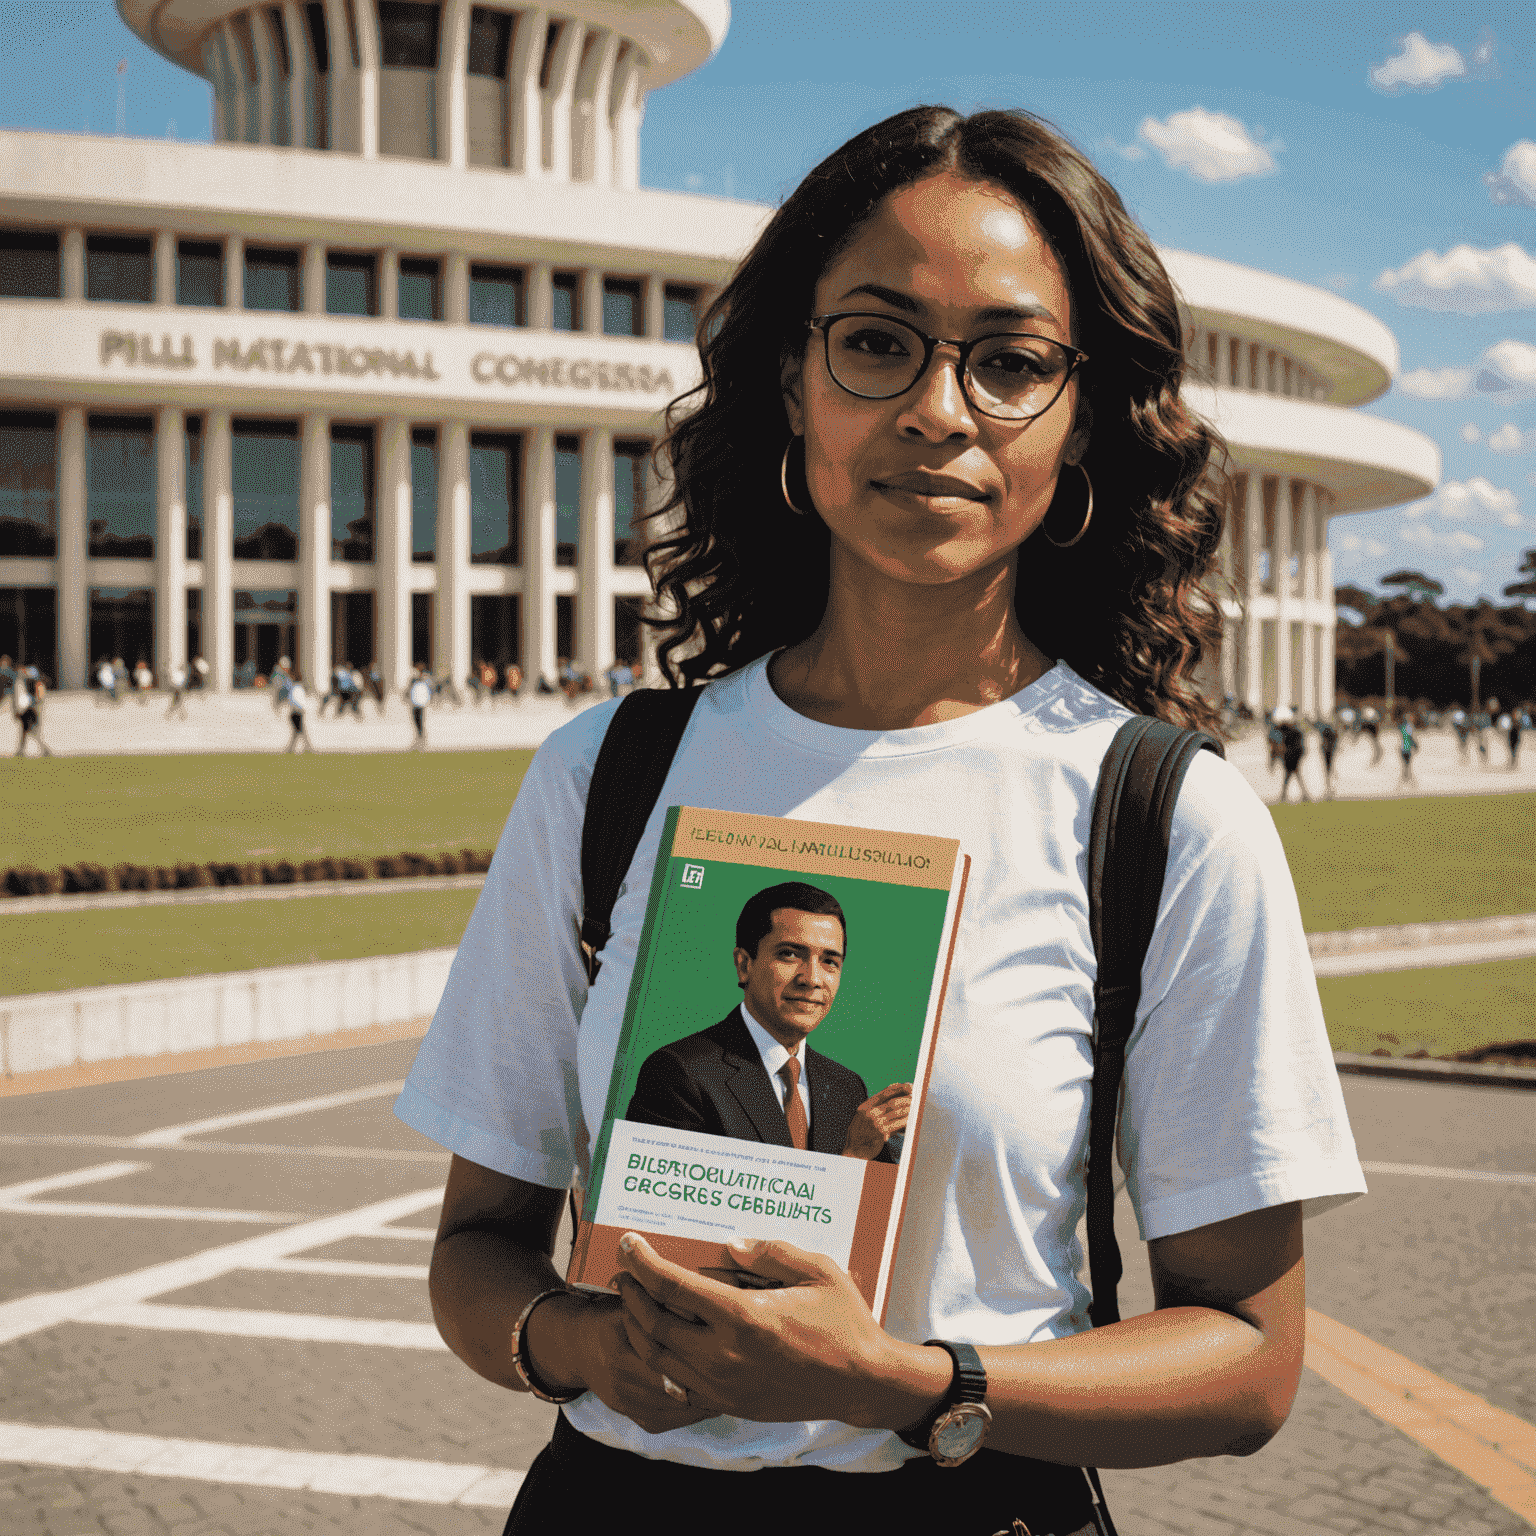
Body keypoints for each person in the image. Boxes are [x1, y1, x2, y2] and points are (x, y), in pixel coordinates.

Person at [394, 107, 1364, 1536]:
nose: (937, 409)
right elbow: (478, 1251)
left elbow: (1248, 1362)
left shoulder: (1162, 815)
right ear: (793, 382)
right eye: (877, 341)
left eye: (1013, 361)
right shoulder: (605, 775)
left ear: (1081, 412)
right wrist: (590, 1345)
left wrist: (909, 1382)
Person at [626, 884, 907, 1164]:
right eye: (790, 954)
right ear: (744, 964)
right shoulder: (678, 1073)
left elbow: (874, 1207)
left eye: (829, 961)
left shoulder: (847, 1088)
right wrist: (852, 1160)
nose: (812, 978)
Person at [13, 666, 52, 757]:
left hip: (32, 710)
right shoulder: (27, 685)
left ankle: (44, 749)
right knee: (27, 731)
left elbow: (39, 699)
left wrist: (30, 706)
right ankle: (21, 750)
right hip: (28, 710)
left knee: (32, 731)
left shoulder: (37, 685)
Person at [1274, 707, 1308, 802]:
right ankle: (1302, 795)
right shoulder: (1296, 732)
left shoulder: (1290, 733)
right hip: (1292, 756)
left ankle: (1284, 796)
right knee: (1294, 776)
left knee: (1290, 777)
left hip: (1290, 757)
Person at [283, 670, 315, 752]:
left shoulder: (295, 688)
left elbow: (293, 700)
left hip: (295, 712)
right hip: (297, 712)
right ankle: (306, 748)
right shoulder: (298, 688)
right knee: (300, 732)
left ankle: (293, 749)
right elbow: (297, 701)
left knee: (299, 732)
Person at [408, 665, 433, 749]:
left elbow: (430, 689)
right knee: (416, 722)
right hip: (415, 704)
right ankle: (419, 738)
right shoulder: (414, 680)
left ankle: (422, 740)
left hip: (421, 704)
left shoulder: (425, 679)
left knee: (421, 723)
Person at [1316, 714, 1339, 799]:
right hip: (1330, 755)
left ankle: (1330, 791)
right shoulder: (1332, 737)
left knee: (1330, 773)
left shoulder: (1329, 742)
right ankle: (1330, 791)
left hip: (1330, 755)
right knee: (1330, 773)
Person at [1396, 710, 1418, 787]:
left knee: (1405, 766)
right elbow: (1410, 737)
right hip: (1407, 748)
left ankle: (1404, 780)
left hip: (1402, 748)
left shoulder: (1402, 727)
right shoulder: (1408, 726)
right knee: (1407, 766)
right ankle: (1409, 781)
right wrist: (1415, 745)